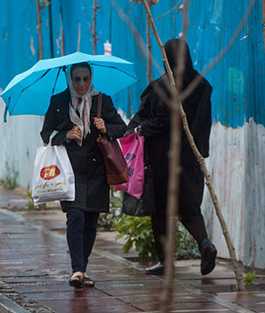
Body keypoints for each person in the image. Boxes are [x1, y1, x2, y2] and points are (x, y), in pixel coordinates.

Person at [128, 38, 217, 276]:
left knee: (159, 209)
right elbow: (202, 123)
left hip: (161, 159)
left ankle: (165, 262)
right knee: (188, 207)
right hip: (190, 157)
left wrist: (136, 130)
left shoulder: (162, 86)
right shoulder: (202, 85)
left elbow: (157, 120)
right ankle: (204, 243)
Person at [41, 62, 127, 289]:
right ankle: (77, 268)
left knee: (90, 222)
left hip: (97, 170)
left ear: (91, 78)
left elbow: (122, 128)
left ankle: (82, 269)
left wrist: (106, 127)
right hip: (70, 170)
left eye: (85, 79)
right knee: (76, 216)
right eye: (77, 79)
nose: (81, 84)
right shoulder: (59, 102)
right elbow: (45, 133)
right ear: (70, 79)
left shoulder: (102, 101)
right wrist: (65, 134)